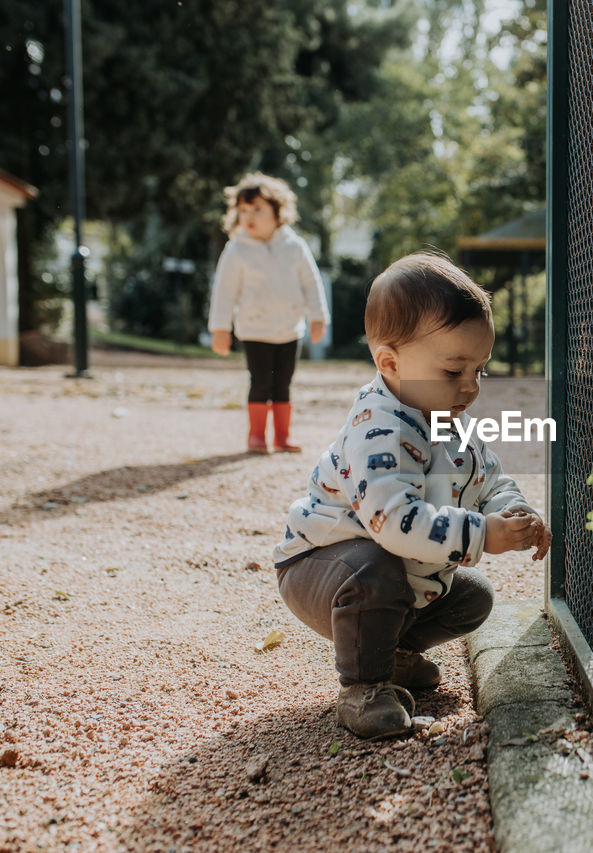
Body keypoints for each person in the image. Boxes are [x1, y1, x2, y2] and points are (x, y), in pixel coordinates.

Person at [272, 251, 552, 739]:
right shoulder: (378, 428)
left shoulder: (449, 420)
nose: (471, 387)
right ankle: (363, 688)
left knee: (472, 598)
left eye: (480, 370)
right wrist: (483, 535)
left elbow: (490, 479)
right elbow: (393, 520)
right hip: (322, 566)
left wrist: (514, 512)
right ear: (390, 362)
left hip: (387, 563)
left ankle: (391, 654)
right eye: (453, 371)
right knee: (374, 571)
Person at [207, 172, 330, 453]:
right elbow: (224, 292)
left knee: (283, 384)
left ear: (277, 212)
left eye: (258, 210)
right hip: (255, 330)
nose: (249, 216)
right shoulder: (236, 250)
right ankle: (257, 435)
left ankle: (283, 436)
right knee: (261, 382)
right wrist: (220, 329)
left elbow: (311, 283)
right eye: (243, 210)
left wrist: (318, 317)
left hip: (289, 329)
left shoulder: (294, 246)